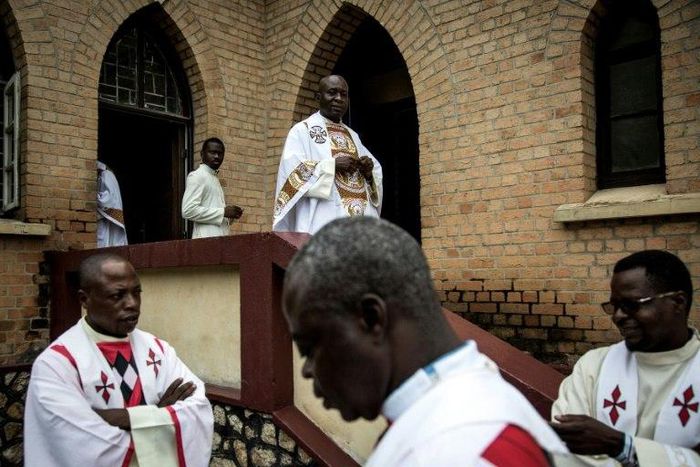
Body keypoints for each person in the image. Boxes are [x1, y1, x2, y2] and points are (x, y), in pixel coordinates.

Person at [282, 217, 568, 466]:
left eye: (310, 347)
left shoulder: (457, 452)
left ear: (371, 319)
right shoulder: (460, 409)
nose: (307, 370)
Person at [24, 253, 213, 466]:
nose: (132, 304)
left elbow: (197, 406)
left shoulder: (157, 349)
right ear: (84, 300)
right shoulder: (57, 364)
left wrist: (121, 417)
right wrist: (160, 416)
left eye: (137, 293)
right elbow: (81, 440)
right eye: (117, 295)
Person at [551, 250, 700, 466]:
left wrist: (623, 446)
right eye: (614, 306)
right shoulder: (594, 366)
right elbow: (564, 452)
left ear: (678, 302)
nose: (618, 316)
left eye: (632, 305)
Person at [273, 75, 383, 234]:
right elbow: (291, 175)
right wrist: (332, 165)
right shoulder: (302, 131)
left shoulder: (353, 135)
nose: (338, 98)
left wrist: (368, 172)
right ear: (318, 97)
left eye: (343, 94)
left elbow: (376, 172)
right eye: (332, 92)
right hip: (323, 218)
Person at [182, 137, 243, 238]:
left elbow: (216, 216)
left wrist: (231, 216)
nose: (216, 156)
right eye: (212, 152)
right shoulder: (197, 176)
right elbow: (188, 210)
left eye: (220, 153)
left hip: (220, 241)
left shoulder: (214, 178)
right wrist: (223, 212)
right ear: (202, 154)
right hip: (204, 242)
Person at [97, 160, 128, 247]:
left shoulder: (106, 174)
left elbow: (108, 199)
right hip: (104, 216)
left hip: (106, 217)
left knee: (103, 240)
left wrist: (92, 195)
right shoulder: (103, 174)